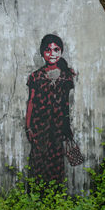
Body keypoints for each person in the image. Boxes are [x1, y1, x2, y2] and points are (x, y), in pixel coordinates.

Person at [25, 34, 75, 184]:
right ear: (42, 53)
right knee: (38, 163)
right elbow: (31, 102)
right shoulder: (36, 77)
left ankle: (54, 197)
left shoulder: (66, 76)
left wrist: (67, 129)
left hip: (58, 129)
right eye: (48, 50)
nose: (52, 54)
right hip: (39, 127)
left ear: (61, 52)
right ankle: (37, 197)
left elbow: (66, 104)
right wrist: (28, 127)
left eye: (56, 49)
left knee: (56, 163)